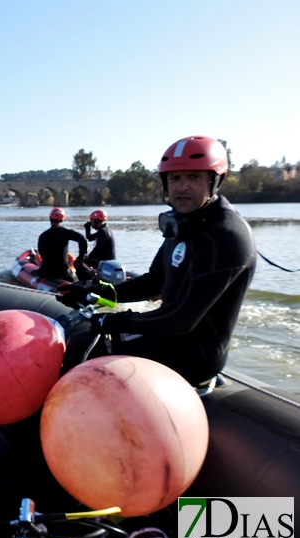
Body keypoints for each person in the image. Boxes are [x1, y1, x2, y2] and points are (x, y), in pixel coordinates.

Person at [58, 135, 256, 387]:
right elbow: (152, 284)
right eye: (175, 178)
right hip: (168, 337)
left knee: (81, 352)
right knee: (77, 340)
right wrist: (92, 293)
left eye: (193, 177)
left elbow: (180, 320)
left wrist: (110, 321)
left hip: (193, 355)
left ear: (215, 180)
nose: (182, 187)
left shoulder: (225, 235)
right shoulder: (186, 223)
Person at [37, 207, 87, 282]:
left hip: (45, 271)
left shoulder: (42, 236)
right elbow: (82, 240)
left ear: (50, 218)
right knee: (77, 281)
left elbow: (41, 253)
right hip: (62, 272)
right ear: (62, 219)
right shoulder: (66, 233)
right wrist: (81, 257)